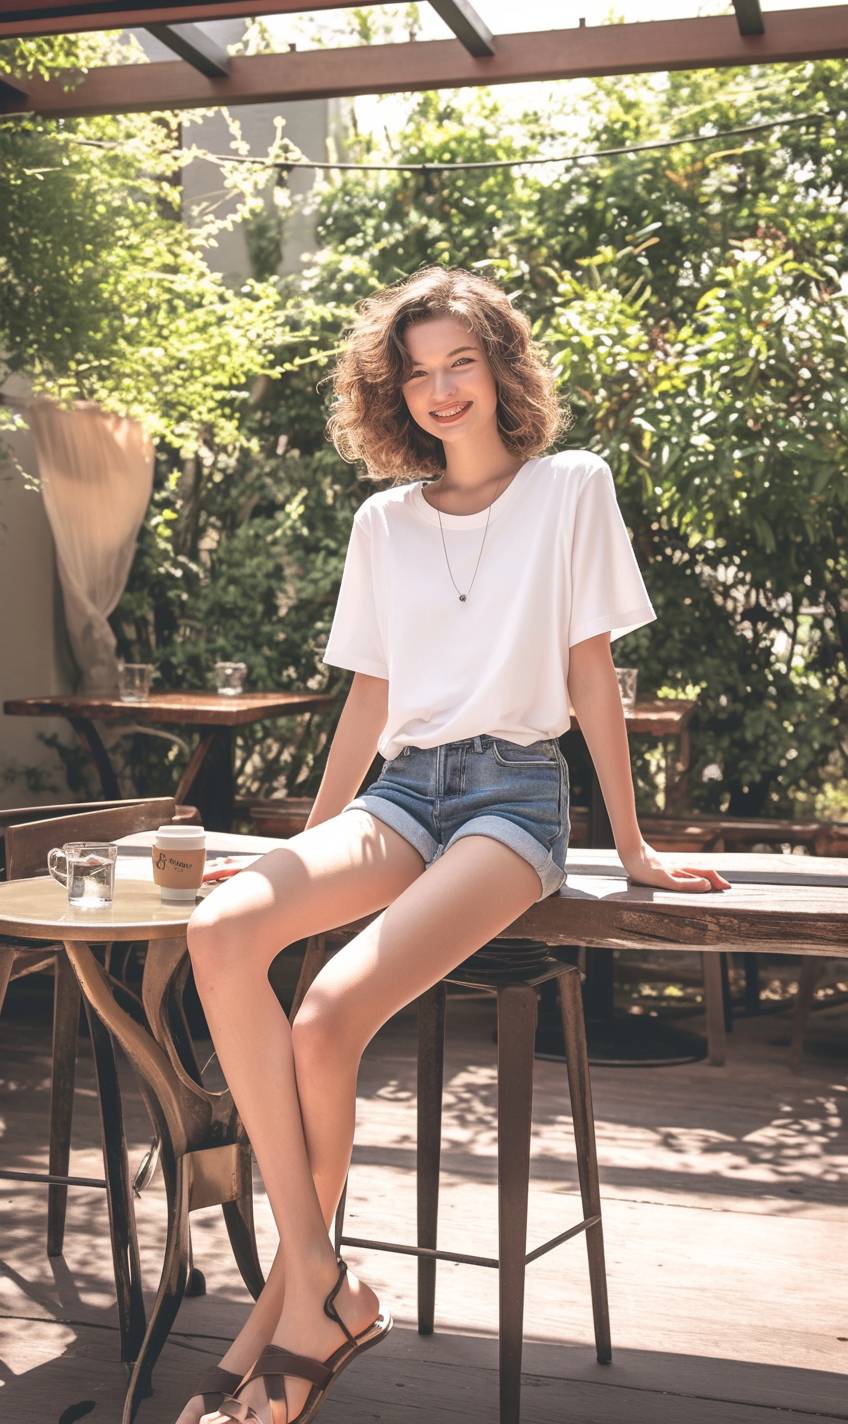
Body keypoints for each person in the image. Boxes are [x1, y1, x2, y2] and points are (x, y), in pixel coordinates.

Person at [179, 265, 730, 1424]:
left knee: (328, 1012)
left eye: (458, 363)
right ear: (394, 391)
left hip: (514, 800)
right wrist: (308, 844)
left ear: (498, 368)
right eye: (416, 371)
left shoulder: (570, 487)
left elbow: (590, 676)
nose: (439, 388)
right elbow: (369, 700)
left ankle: (288, 1315)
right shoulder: (382, 520)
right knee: (224, 923)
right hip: (401, 795)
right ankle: (321, 1286)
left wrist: (629, 846)